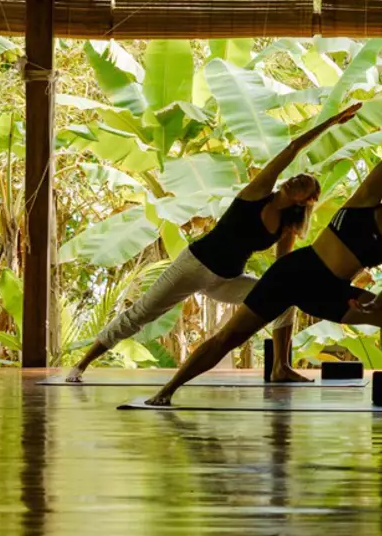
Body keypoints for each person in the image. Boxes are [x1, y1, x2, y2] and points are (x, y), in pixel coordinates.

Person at [145, 89, 382, 408]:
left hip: (329, 291)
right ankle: (168, 389)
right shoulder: (366, 198)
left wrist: (375, 306)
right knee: (230, 338)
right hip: (295, 273)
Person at [66, 103, 364, 383]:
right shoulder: (258, 192)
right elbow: (292, 147)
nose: (295, 181)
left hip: (226, 279)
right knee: (141, 313)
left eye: (303, 185)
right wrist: (332, 121)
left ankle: (280, 368)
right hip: (194, 264)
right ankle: (81, 364)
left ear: (305, 201)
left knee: (286, 299)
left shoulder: (286, 227)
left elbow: (280, 268)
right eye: (297, 177)